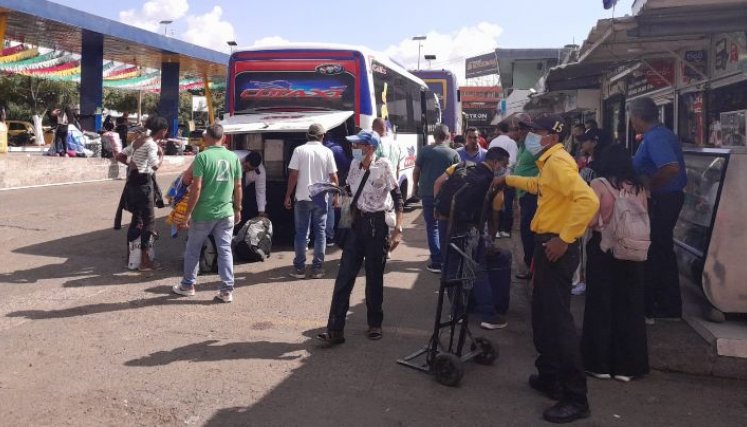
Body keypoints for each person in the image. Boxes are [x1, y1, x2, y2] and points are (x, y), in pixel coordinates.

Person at [495, 113, 599, 424]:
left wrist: (564, 239)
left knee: (558, 323)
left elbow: (588, 200)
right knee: (542, 314)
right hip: (546, 247)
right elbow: (541, 186)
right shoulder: (550, 162)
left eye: (533, 131)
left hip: (555, 249)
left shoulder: (558, 162)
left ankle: (575, 398)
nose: (527, 135)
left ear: (550, 137)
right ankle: (549, 376)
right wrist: (508, 179)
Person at [317, 130, 404, 346]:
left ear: (370, 148)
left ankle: (375, 323)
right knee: (344, 277)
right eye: (354, 146)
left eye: (358, 146)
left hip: (377, 227)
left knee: (374, 278)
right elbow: (348, 192)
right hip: (356, 226)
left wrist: (398, 228)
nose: (354, 149)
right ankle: (335, 330)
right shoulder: (354, 166)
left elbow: (398, 197)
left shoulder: (383, 166)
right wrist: (341, 205)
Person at [582, 144, 650, 383]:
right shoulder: (639, 186)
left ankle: (598, 363)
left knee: (600, 305)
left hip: (604, 250)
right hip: (633, 252)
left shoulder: (598, 185)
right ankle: (627, 367)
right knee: (630, 307)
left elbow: (590, 220)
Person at [433, 147, 511, 329]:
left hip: (447, 221)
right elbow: (494, 214)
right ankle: (488, 315)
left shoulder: (462, 167)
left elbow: (439, 182)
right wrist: (489, 240)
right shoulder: (491, 181)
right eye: (505, 165)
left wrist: (439, 208)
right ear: (496, 163)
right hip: (468, 228)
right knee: (478, 268)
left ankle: (456, 312)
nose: (504, 169)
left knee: (451, 267)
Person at [631, 96, 688, 322]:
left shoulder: (657, 137)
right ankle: (663, 303)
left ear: (637, 117)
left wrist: (650, 187)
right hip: (665, 199)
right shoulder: (653, 136)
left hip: (665, 199)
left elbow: (671, 167)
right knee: (659, 250)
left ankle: (665, 305)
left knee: (658, 251)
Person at [172, 123, 243, 303]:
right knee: (225, 249)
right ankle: (226, 290)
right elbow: (238, 186)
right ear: (224, 138)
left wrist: (187, 214)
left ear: (207, 138)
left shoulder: (202, 157)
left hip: (203, 212)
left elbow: (196, 187)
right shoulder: (233, 158)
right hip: (226, 212)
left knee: (193, 249)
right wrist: (238, 208)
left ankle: (188, 285)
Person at [284, 123, 338, 279]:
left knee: (301, 234)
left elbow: (293, 175)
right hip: (321, 198)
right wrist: (335, 196)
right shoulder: (327, 152)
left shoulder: (299, 151)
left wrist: (288, 195)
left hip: (302, 197)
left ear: (307, 135)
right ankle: (317, 269)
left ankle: (299, 268)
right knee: (320, 233)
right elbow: (333, 177)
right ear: (322, 136)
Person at [116, 115, 165, 272]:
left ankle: (131, 258)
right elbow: (155, 166)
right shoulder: (151, 145)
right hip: (144, 186)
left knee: (136, 220)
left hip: (132, 186)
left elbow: (120, 156)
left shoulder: (138, 140)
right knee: (149, 223)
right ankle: (145, 262)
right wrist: (161, 155)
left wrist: (134, 165)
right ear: (163, 131)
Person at [413, 124, 460, 273]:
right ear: (447, 137)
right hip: (446, 196)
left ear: (434, 136)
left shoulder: (425, 151)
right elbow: (458, 176)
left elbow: (416, 170)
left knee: (432, 226)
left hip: (427, 193)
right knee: (445, 226)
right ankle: (446, 259)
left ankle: (437, 260)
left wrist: (415, 185)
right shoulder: (453, 154)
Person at [512, 114, 539, 280]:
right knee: (526, 232)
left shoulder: (534, 145)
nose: (513, 132)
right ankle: (531, 266)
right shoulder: (522, 145)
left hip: (533, 195)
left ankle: (532, 268)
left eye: (516, 128)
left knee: (529, 233)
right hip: (523, 196)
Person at [489, 122, 519, 238]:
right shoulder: (511, 143)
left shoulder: (493, 142)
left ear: (499, 130)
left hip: (494, 178)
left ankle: (495, 230)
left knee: (495, 205)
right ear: (509, 130)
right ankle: (505, 230)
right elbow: (512, 162)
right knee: (507, 205)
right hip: (508, 179)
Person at [324, 135, 352, 246]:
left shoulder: (323, 148)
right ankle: (332, 237)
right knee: (332, 210)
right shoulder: (336, 148)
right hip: (336, 183)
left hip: (319, 184)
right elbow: (345, 164)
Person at [241, 151, 267, 220]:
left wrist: (261, 211)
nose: (247, 170)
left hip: (244, 189)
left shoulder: (260, 171)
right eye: (246, 167)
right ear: (245, 161)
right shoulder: (234, 159)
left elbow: (261, 191)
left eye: (251, 169)